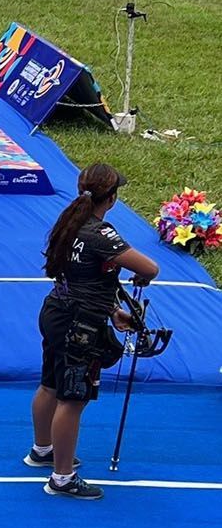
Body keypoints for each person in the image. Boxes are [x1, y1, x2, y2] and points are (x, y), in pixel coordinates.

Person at [27, 162, 158, 501]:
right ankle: (62, 477)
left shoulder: (68, 221)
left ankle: (43, 450)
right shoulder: (101, 233)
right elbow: (150, 267)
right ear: (111, 199)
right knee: (73, 399)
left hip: (57, 311)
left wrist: (112, 310)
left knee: (50, 385)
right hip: (79, 325)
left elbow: (82, 276)